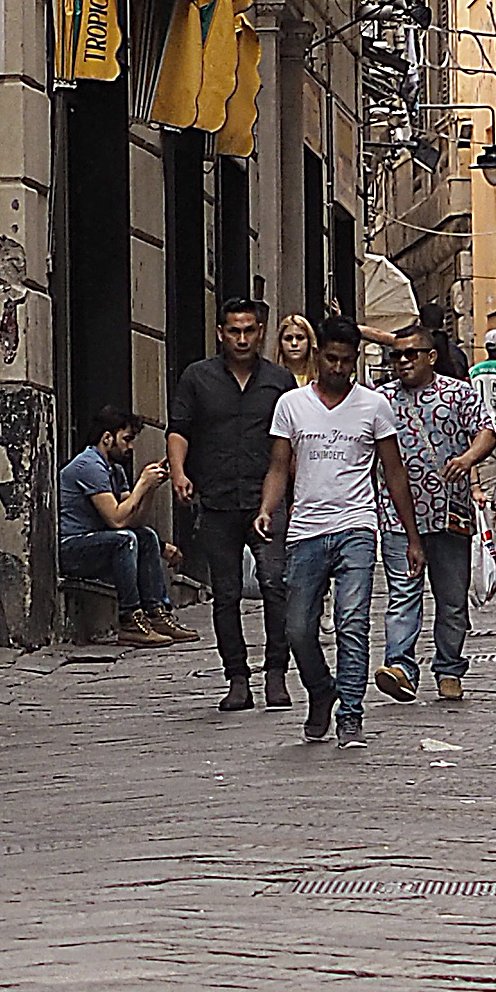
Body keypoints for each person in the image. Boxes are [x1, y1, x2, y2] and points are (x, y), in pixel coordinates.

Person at [255, 315, 420, 747]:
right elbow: (278, 466)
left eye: (348, 361)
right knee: (297, 629)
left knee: (352, 623)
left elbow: (394, 473)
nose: (339, 369)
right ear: (317, 355)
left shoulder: (374, 406)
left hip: (356, 527)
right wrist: (267, 509)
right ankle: (321, 689)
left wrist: (411, 536)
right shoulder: (291, 405)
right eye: (331, 359)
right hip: (306, 529)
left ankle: (351, 713)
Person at [168, 297, 298, 712]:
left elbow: (293, 442)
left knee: (276, 585)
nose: (241, 338)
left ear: (261, 332)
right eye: (233, 331)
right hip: (217, 498)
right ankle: (237, 678)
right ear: (221, 333)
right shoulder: (197, 378)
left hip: (268, 499)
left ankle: (276, 673)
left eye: (249, 330)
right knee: (225, 594)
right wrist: (179, 472)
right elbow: (179, 429)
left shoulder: (280, 381)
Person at [375, 325, 495, 703]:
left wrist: (467, 459)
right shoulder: (380, 400)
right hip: (397, 515)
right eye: (397, 355)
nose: (403, 361)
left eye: (411, 354)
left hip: (450, 513)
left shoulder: (459, 393)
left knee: (452, 599)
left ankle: (448, 666)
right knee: (403, 594)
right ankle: (400, 666)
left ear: (431, 356)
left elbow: (487, 431)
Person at [56, 406, 187, 647]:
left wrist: (148, 490)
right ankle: (130, 618)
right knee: (124, 540)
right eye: (126, 439)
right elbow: (116, 520)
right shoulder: (89, 466)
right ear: (107, 438)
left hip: (98, 541)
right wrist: (141, 485)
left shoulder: (114, 470)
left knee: (145, 536)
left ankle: (156, 612)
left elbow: (132, 518)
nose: (130, 447)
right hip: (72, 548)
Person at [275, 313, 317, 385]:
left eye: (300, 338)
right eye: (288, 338)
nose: (294, 343)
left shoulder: (321, 379)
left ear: (309, 342)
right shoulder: (270, 378)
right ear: (280, 344)